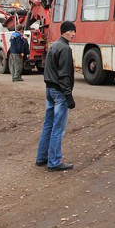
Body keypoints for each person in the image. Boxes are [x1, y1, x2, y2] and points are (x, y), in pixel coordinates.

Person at [35, 21, 77, 171]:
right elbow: (64, 74)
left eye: (74, 31)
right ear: (63, 31)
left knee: (48, 124)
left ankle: (41, 158)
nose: (72, 34)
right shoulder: (65, 49)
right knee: (58, 128)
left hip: (50, 90)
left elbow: (49, 70)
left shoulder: (54, 46)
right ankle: (54, 161)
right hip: (59, 92)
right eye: (70, 31)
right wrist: (68, 96)